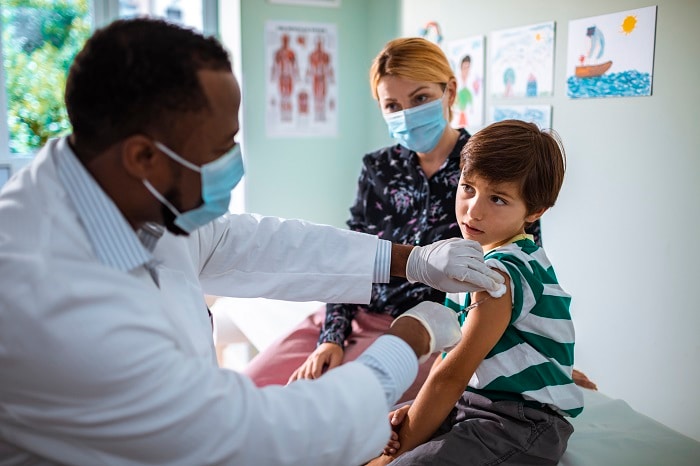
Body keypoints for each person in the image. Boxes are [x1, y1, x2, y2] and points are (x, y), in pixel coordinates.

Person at [0, 19, 509, 466]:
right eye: (222, 147)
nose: (234, 160)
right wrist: (408, 341)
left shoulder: (120, 190)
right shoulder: (48, 299)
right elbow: (252, 439)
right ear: (143, 158)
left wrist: (412, 261)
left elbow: (246, 243)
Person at [245, 37, 540, 403]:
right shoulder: (378, 168)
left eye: (419, 99)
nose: (407, 114)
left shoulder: (489, 170)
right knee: (251, 390)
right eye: (392, 105)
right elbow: (348, 255)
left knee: (317, 408)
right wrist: (331, 337)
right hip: (352, 312)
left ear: (450, 91)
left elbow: (519, 270)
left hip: (426, 331)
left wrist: (537, 355)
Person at [368, 120, 584, 466]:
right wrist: (422, 415)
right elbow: (456, 369)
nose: (474, 209)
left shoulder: (503, 272)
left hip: (518, 423)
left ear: (536, 211)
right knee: (367, 435)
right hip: (472, 403)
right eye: (468, 187)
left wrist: (396, 451)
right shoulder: (472, 260)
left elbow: (451, 374)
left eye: (498, 198)